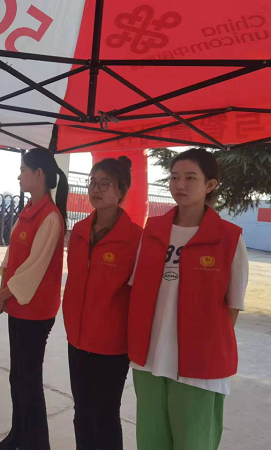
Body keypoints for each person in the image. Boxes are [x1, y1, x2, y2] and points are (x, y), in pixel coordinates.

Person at [128, 148, 249, 450]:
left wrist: (202, 345)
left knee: (193, 441)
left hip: (200, 363)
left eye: (190, 178)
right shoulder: (153, 230)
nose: (179, 185)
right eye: (174, 177)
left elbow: (233, 307)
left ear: (210, 185)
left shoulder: (229, 237)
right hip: (149, 356)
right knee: (151, 440)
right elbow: (137, 289)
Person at [62, 157, 142, 450]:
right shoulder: (80, 231)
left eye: (104, 184)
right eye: (92, 183)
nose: (95, 190)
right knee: (82, 412)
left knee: (105, 414)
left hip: (112, 344)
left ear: (121, 191)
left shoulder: (135, 238)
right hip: (77, 338)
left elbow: (139, 294)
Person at [0, 149, 67, 450]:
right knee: (18, 377)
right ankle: (19, 434)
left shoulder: (51, 216)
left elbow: (34, 268)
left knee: (29, 379)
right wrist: (4, 292)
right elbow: (12, 256)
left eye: (23, 170)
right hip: (19, 306)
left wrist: (3, 294)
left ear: (39, 174)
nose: (19, 176)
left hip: (36, 311)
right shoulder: (29, 210)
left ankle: (36, 443)